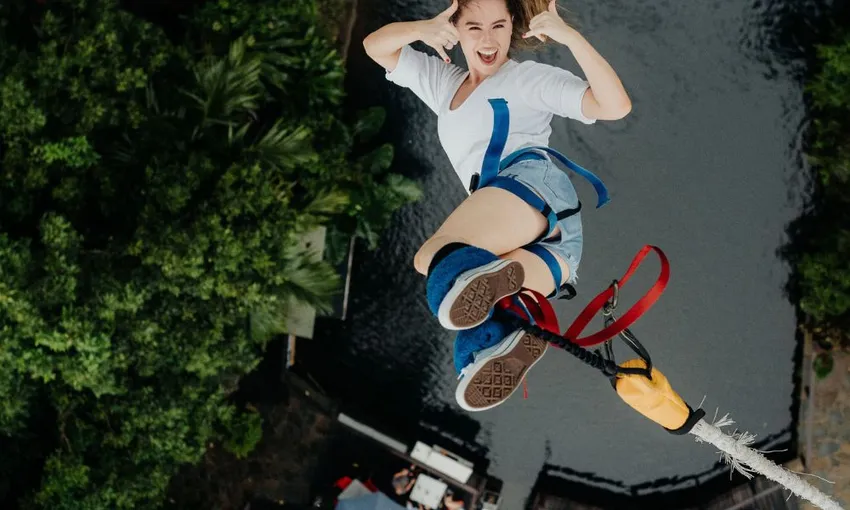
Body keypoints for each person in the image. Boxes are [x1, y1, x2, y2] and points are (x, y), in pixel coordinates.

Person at [363, 0, 630, 412]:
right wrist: (422, 28)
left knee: (433, 261)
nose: (488, 40)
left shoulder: (525, 79)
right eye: (473, 27)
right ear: (453, 28)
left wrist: (570, 37)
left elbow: (615, 106)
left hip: (533, 193)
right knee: (475, 332)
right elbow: (375, 46)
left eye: (498, 26)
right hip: (560, 247)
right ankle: (504, 336)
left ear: (512, 28)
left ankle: (499, 287)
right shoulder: (443, 83)